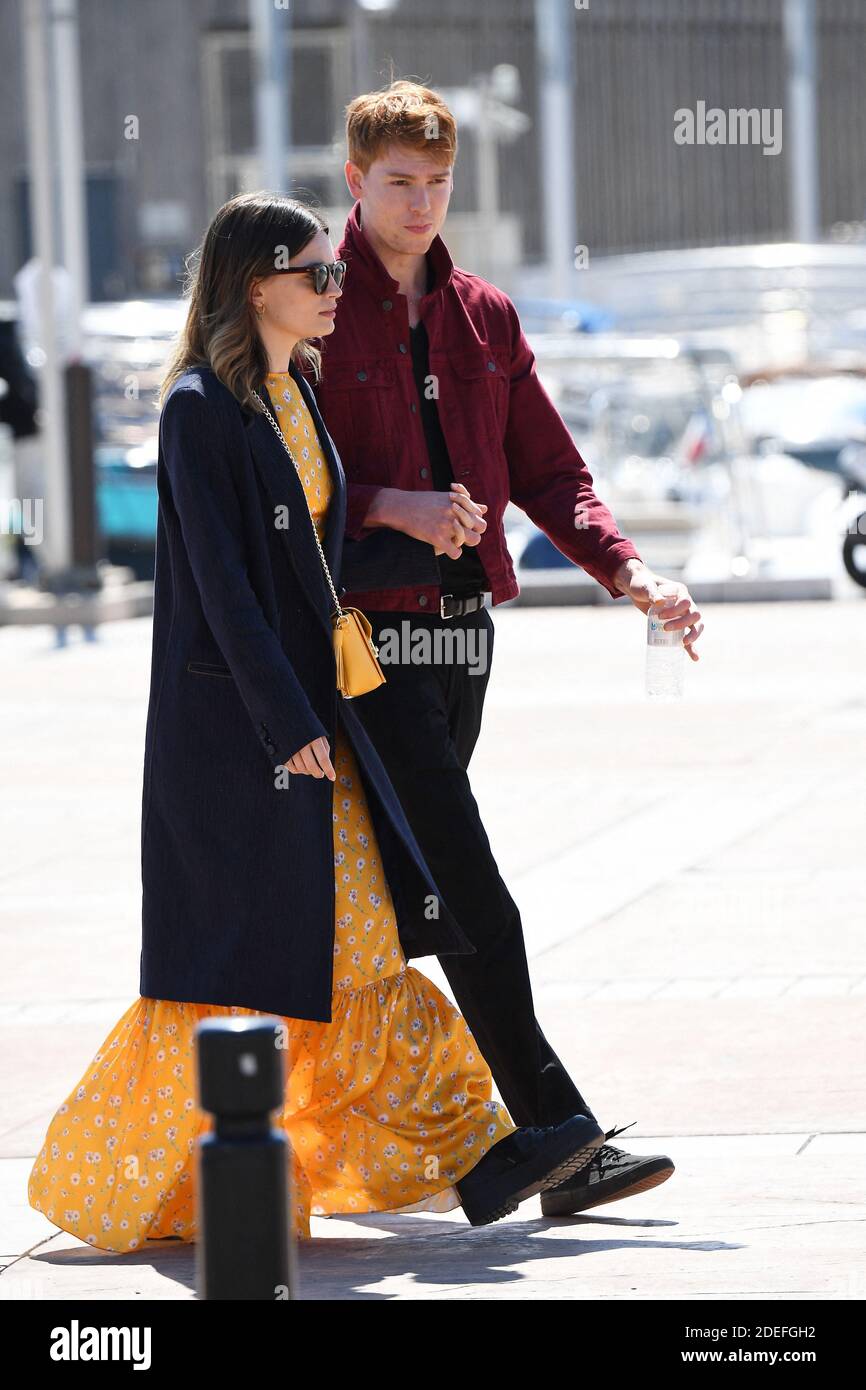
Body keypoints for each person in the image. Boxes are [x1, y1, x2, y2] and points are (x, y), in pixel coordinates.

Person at [26, 193, 606, 1254]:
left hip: (321, 715)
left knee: (361, 946)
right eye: (318, 273)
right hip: (246, 735)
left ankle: (477, 1149)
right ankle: (129, 1171)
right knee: (249, 963)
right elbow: (223, 583)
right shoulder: (200, 408)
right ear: (256, 285)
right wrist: (281, 718)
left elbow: (313, 563)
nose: (338, 287)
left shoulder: (294, 391)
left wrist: (429, 549)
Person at [310, 80, 707, 1217]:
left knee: (406, 903)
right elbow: (282, 485)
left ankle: (470, 1147)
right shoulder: (312, 307)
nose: (421, 202)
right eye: (397, 183)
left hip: (462, 644)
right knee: (465, 892)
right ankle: (550, 1136)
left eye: (437, 183)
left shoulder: (484, 315)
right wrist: (391, 504)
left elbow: (548, 472)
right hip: (363, 646)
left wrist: (632, 575)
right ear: (354, 181)